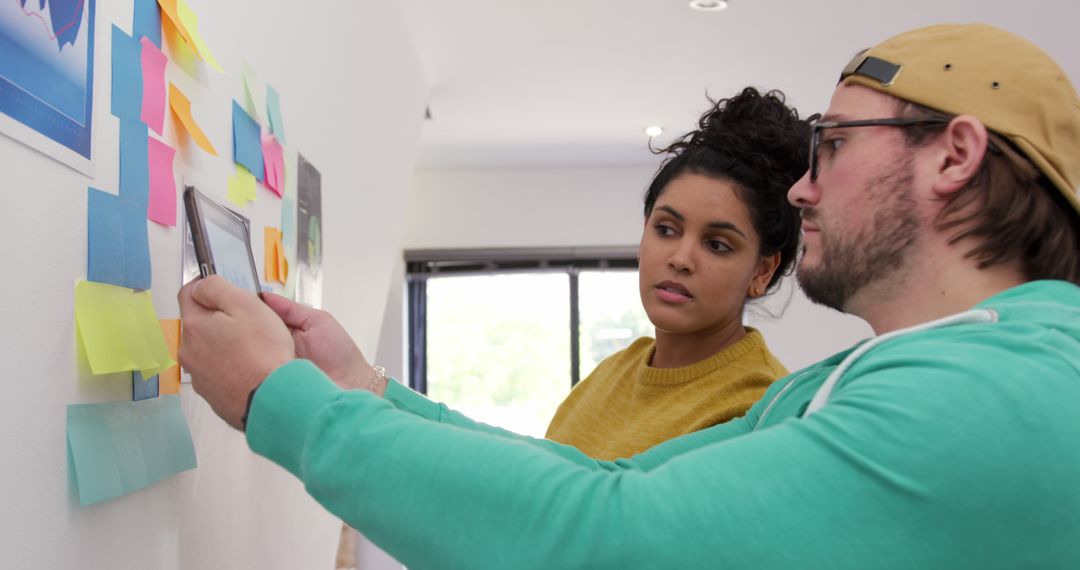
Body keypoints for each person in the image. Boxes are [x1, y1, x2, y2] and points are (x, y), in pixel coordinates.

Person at [178, 23, 1080, 568]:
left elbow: (606, 540)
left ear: (954, 157)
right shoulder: (896, 371)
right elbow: (604, 480)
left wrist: (276, 402)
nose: (806, 187)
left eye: (835, 144)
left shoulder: (990, 394)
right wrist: (367, 388)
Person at [545, 87, 810, 459]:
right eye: (666, 229)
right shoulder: (613, 372)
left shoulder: (756, 408)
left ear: (762, 272)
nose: (681, 258)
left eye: (717, 244)